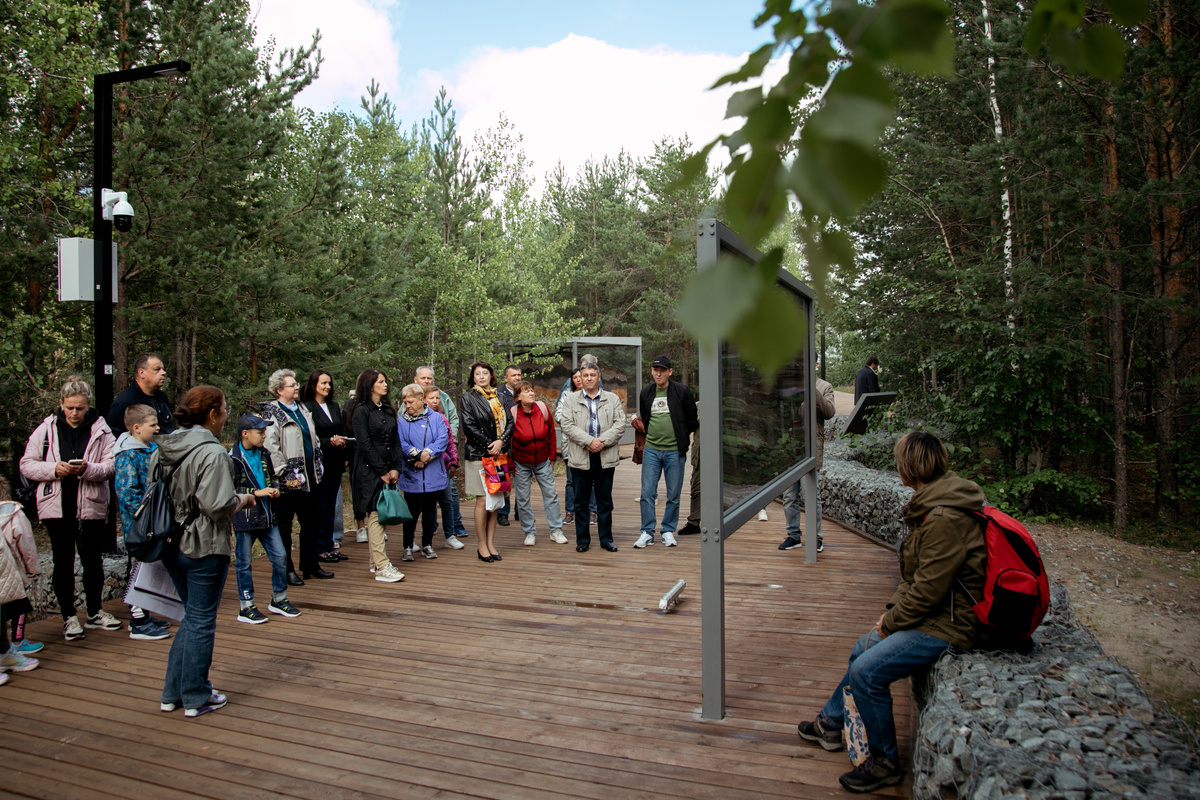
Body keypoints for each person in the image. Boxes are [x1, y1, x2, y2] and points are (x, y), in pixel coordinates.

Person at [795, 432, 986, 792]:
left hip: (949, 623)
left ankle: (885, 762)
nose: (896, 466)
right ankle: (832, 724)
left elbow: (929, 590)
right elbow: (917, 578)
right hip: (934, 613)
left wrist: (892, 622)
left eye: (900, 460)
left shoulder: (944, 518)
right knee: (860, 647)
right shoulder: (932, 502)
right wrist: (891, 615)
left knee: (867, 672)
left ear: (911, 466)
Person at [153, 386, 255, 718]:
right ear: (213, 414)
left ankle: (173, 692)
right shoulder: (212, 453)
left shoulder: (165, 447)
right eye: (225, 409)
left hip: (170, 542)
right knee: (200, 620)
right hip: (204, 545)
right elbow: (217, 505)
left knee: (190, 618)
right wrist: (245, 499)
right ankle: (196, 694)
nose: (226, 415)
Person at [19, 376, 120, 640]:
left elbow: (111, 466)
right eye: (70, 407)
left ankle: (95, 612)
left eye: (80, 408)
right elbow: (26, 464)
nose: (74, 413)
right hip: (57, 507)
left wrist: (89, 469)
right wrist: (54, 469)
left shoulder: (101, 429)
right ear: (61, 404)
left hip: (91, 507)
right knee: (62, 563)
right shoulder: (47, 429)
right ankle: (68, 617)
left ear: (88, 405)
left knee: (93, 562)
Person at [259, 369, 328, 584]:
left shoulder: (303, 409)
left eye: (296, 384)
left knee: (311, 522)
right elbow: (270, 446)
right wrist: (284, 472)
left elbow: (313, 438)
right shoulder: (272, 413)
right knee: (285, 527)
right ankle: (286, 569)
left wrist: (319, 462)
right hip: (288, 480)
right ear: (279, 390)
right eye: (291, 385)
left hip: (310, 477)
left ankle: (310, 564)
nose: (296, 387)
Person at [229, 414, 299, 624]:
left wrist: (276, 490)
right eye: (260, 432)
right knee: (243, 563)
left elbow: (270, 479)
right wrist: (256, 492)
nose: (264, 436)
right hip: (245, 517)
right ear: (245, 434)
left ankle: (279, 599)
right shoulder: (232, 458)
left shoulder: (264, 454)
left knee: (280, 557)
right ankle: (246, 605)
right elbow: (229, 489)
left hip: (268, 516)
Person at [113, 404, 172, 640]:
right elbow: (127, 492)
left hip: (153, 522)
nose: (158, 428)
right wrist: (146, 514)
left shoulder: (149, 448)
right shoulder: (128, 454)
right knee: (138, 568)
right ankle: (137, 620)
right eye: (153, 425)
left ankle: (145, 613)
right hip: (139, 526)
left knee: (149, 567)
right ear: (136, 428)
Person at [556, 363, 626, 553]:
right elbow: (567, 424)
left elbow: (620, 423)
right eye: (585, 375)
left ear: (599, 376)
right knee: (581, 502)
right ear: (580, 377)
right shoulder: (570, 399)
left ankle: (606, 539)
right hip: (580, 456)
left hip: (605, 455)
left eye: (592, 375)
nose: (588, 378)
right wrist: (589, 442)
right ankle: (583, 540)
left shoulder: (612, 399)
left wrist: (602, 442)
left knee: (604, 501)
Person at [633, 356, 698, 549]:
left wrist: (682, 438)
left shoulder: (681, 391)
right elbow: (646, 418)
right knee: (647, 493)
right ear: (652, 372)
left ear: (670, 371)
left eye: (662, 370)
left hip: (674, 451)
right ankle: (646, 532)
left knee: (673, 494)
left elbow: (691, 419)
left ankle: (668, 530)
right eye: (655, 370)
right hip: (651, 450)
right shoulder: (646, 393)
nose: (658, 373)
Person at [349, 370, 405, 583]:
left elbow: (396, 441)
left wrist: (396, 468)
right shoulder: (360, 411)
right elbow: (364, 444)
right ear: (370, 385)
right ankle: (382, 566)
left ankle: (375, 563)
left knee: (379, 513)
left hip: (388, 466)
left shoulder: (389, 409)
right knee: (374, 514)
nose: (385, 385)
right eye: (380, 382)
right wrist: (381, 470)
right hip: (368, 469)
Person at [460, 361, 514, 563]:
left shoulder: (500, 397)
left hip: (499, 456)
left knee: (496, 501)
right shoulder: (468, 398)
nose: (481, 376)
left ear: (492, 376)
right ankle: (481, 544)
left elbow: (510, 422)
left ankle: (491, 543)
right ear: (473, 377)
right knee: (483, 500)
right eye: (477, 374)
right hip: (479, 455)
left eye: (485, 373)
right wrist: (490, 444)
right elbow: (469, 427)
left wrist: (501, 442)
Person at [779, 362, 837, 552]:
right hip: (791, 449)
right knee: (789, 496)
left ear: (815, 364)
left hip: (810, 448)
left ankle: (816, 537)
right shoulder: (790, 387)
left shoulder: (824, 386)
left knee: (812, 495)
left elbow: (829, 412)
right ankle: (793, 535)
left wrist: (810, 389)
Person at [300, 369, 349, 564]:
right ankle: (319, 548)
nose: (327, 386)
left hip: (336, 462)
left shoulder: (335, 406)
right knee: (320, 506)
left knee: (331, 507)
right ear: (314, 385)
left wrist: (343, 447)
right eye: (323, 383)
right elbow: (308, 438)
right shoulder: (306, 408)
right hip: (318, 464)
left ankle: (330, 545)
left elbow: (342, 430)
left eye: (329, 383)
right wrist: (330, 442)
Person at [396, 383, 450, 562]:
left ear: (420, 400)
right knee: (411, 512)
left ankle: (427, 544)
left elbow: (442, 439)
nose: (407, 405)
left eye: (410, 401)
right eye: (405, 402)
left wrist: (427, 455)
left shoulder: (436, 418)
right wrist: (418, 455)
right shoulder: (402, 421)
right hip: (412, 473)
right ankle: (407, 546)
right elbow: (402, 443)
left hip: (432, 473)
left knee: (429, 510)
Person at [508, 381, 565, 546]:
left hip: (542, 460)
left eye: (532, 390)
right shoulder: (512, 413)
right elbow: (507, 442)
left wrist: (552, 457)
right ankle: (529, 532)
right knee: (523, 499)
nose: (531, 393)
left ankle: (556, 531)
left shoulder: (542, 409)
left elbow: (551, 433)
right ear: (518, 396)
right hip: (521, 463)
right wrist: (511, 465)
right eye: (526, 392)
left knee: (551, 495)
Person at [416, 366, 467, 543]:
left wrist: (446, 440)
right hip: (421, 462)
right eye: (423, 378)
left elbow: (453, 419)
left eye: (429, 378)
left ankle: (453, 527)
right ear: (416, 380)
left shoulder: (443, 399)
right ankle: (426, 533)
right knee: (424, 500)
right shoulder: (410, 403)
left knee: (448, 495)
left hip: (443, 460)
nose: (427, 381)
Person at [0, 475, 41, 677]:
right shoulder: (14, 514)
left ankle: (6, 651)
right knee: (20, 606)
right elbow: (27, 545)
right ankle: (17, 640)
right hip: (12, 572)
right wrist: (32, 568)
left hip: (6, 570)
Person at [424, 386, 464, 550]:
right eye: (431, 398)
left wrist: (454, 462)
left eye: (437, 398)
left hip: (443, 466)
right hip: (426, 467)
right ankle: (426, 539)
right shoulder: (418, 418)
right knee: (427, 504)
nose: (434, 401)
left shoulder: (442, 417)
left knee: (446, 501)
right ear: (423, 400)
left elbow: (449, 442)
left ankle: (449, 535)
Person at [556, 368, 596, 526]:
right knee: (571, 481)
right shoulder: (566, 395)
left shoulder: (594, 395)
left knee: (592, 479)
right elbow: (559, 415)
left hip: (590, 444)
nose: (579, 380)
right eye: (575, 378)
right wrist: (575, 422)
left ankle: (592, 511)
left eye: (581, 376)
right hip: (570, 444)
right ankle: (570, 512)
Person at [106, 352, 175, 436]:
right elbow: (112, 436)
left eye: (163, 369)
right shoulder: (126, 401)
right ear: (141, 373)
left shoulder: (161, 397)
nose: (163, 372)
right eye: (157, 369)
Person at [495, 365, 522, 526]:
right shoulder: (498, 394)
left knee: (521, 479)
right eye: (513, 375)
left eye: (519, 375)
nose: (517, 378)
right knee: (503, 478)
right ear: (506, 378)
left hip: (520, 442)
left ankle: (521, 511)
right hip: (504, 442)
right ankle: (503, 513)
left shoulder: (525, 391)